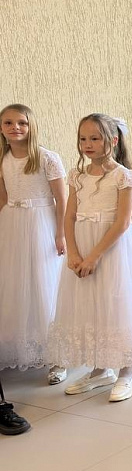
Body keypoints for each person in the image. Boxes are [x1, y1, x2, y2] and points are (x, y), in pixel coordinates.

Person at [46, 114, 132, 403]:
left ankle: (127, 372)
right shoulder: (77, 175)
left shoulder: (124, 176)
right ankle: (100, 369)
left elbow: (123, 222)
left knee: (116, 303)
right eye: (83, 139)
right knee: (90, 305)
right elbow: (69, 216)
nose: (87, 144)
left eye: (95, 138)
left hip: (113, 249)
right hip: (82, 245)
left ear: (113, 140)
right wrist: (73, 252)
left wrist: (95, 256)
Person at [0, 104, 69, 385]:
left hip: (41, 222)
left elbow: (62, 199)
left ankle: (58, 357)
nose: (15, 128)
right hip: (12, 223)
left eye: (22, 122)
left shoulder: (46, 158)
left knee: (44, 284)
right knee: (15, 284)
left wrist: (61, 233)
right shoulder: (3, 158)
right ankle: (18, 348)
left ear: (31, 126)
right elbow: (3, 197)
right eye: (8, 123)